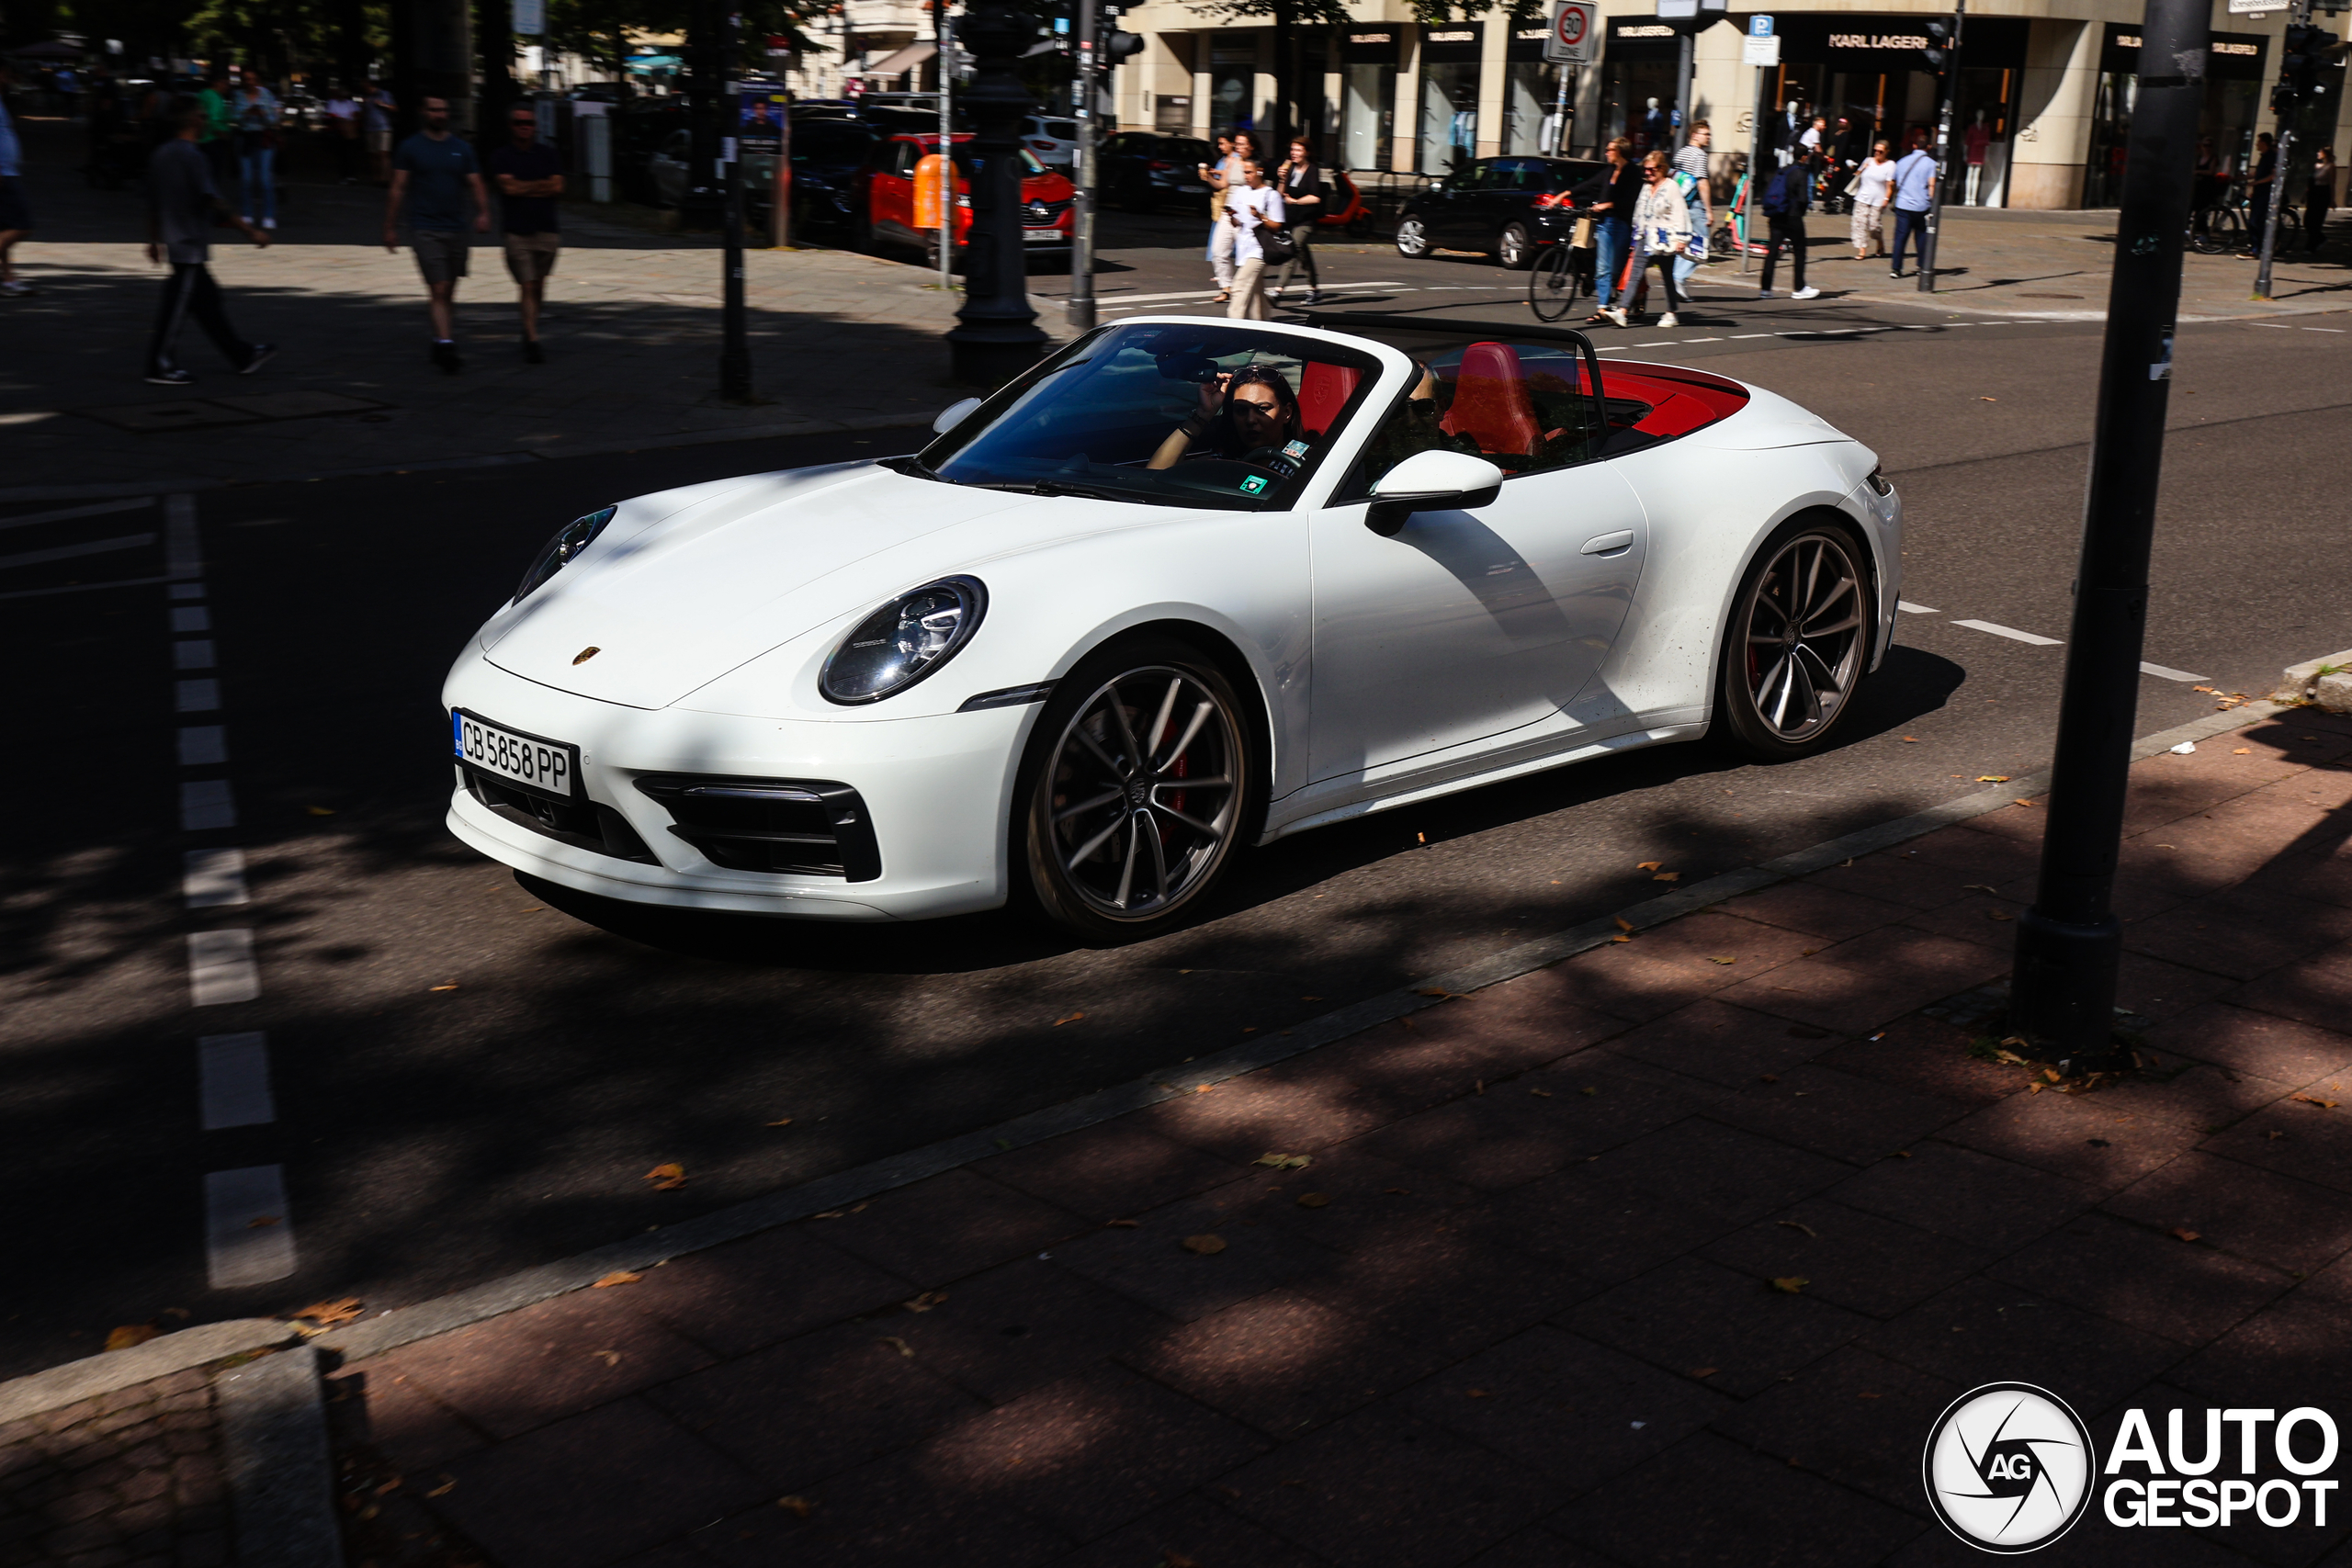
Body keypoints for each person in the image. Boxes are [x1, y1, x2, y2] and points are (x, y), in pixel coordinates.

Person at [144, 95, 275, 384]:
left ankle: (242, 355)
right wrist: (249, 230)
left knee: (208, 301)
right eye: (203, 116)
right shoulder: (193, 156)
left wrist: (153, 241)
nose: (205, 120)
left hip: (175, 240)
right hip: (188, 245)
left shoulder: (160, 154)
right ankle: (160, 364)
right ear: (192, 120)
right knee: (176, 307)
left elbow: (152, 203)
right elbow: (214, 200)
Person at [386, 96, 489, 373]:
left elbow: (475, 182)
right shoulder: (410, 147)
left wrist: (483, 212)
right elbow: (398, 187)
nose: (439, 114)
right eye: (434, 109)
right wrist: (390, 227)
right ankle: (446, 344)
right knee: (439, 287)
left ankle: (439, 337)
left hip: (457, 227)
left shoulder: (462, 149)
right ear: (423, 112)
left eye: (443, 109)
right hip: (425, 228)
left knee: (449, 290)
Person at [489, 103, 563, 362]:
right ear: (512, 126)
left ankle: (528, 326)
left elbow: (557, 187)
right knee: (528, 284)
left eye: (529, 123)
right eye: (519, 122)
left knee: (539, 285)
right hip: (516, 231)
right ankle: (532, 339)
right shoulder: (502, 156)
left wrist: (524, 187)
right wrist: (539, 186)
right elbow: (508, 189)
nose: (524, 127)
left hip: (547, 230)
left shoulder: (548, 154)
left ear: (535, 126)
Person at [1148, 365, 1304, 469]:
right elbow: (1154, 475)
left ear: (1287, 413)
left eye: (1262, 409)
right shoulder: (1225, 462)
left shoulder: (1306, 466)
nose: (1250, 420)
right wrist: (1203, 413)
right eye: (1241, 410)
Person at [1613, 150, 1691, 328]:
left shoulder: (1671, 187)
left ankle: (1672, 312)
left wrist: (1681, 239)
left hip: (1665, 239)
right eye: (1645, 169)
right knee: (1635, 274)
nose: (1647, 172)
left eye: (1651, 169)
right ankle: (1622, 311)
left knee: (1666, 276)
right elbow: (1639, 211)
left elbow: (1680, 213)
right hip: (1646, 236)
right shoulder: (1646, 187)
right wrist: (1636, 235)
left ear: (1662, 168)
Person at [1583, 136, 1638, 326]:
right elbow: (1588, 185)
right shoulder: (1608, 170)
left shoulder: (1632, 172)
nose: (1606, 153)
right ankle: (1602, 308)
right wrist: (1563, 195)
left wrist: (1605, 205)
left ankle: (1636, 298)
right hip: (1605, 223)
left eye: (1610, 150)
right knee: (1603, 268)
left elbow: (1628, 201)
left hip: (1622, 224)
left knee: (1618, 268)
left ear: (1620, 152)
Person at [1223, 159, 1284, 321]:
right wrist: (1232, 216)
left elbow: (1277, 225)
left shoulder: (1271, 195)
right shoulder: (1241, 192)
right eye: (1244, 172)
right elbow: (1237, 222)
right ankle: (1264, 326)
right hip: (1244, 247)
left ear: (1260, 172)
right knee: (1257, 294)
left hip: (1260, 249)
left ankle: (1233, 327)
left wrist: (1260, 217)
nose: (1246, 176)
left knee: (1239, 287)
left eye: (1249, 172)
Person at [1756, 149, 1819, 301]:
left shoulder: (1782, 170)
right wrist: (1801, 212)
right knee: (1799, 250)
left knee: (1772, 251)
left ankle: (1765, 289)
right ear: (1804, 157)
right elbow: (1804, 199)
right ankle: (1799, 288)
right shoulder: (1801, 172)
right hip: (1792, 216)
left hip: (1776, 215)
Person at [1272, 138, 1325, 304]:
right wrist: (1281, 178)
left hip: (1306, 219)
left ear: (1307, 152)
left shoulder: (1312, 170)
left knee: (1292, 249)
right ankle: (1315, 290)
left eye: (1299, 150)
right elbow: (1280, 194)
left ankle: (1278, 291)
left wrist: (1295, 201)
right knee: (1303, 255)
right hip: (1291, 219)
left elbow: (1315, 198)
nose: (1294, 153)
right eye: (1293, 150)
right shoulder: (1290, 169)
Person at [232, 67, 280, 229]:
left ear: (257, 80)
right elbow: (235, 118)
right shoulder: (238, 95)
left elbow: (274, 119)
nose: (249, 82)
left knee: (265, 180)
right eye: (246, 79)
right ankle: (247, 214)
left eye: (252, 79)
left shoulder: (266, 95)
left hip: (264, 139)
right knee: (246, 179)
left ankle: (268, 215)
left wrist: (263, 115)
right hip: (246, 139)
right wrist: (246, 114)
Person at [0, 63, 31, 298]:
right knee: (22, 225)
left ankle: (8, 280)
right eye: (6, 73)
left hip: (7, 171)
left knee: (4, 227)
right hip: (3, 174)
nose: (9, 77)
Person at [1198, 131, 1239, 299]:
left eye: (1223, 143)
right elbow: (1222, 184)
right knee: (1218, 251)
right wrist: (1208, 176)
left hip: (1243, 213)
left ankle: (1243, 289)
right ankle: (1226, 288)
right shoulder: (1228, 161)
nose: (1221, 147)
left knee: (1247, 254)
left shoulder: (1244, 162)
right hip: (1226, 210)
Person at [1890, 137, 1937, 278]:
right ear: (1928, 147)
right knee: (1922, 236)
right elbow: (1932, 185)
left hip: (1903, 205)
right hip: (1921, 205)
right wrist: (1931, 200)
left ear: (1914, 145)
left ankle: (1896, 269)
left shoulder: (1902, 161)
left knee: (1900, 238)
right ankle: (1921, 266)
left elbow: (1893, 181)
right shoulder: (1931, 164)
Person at [1850, 141, 1894, 261]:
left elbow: (1890, 185)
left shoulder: (1890, 165)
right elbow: (1856, 175)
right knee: (1860, 224)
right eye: (1876, 150)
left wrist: (1886, 198)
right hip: (1862, 197)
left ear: (1886, 152)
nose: (1877, 153)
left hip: (1878, 200)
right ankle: (1862, 249)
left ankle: (1879, 241)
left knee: (1874, 226)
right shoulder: (1868, 161)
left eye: (1881, 151)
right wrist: (1862, 169)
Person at [197, 68, 238, 191]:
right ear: (217, 82)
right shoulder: (215, 97)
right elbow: (213, 119)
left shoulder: (204, 94)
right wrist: (223, 135)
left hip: (202, 139)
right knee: (213, 175)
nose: (228, 87)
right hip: (213, 141)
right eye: (226, 83)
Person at [2241, 132, 2277, 256]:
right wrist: (2240, 178)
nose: (2256, 144)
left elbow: (2273, 176)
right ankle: (2255, 247)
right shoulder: (2263, 156)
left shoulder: (2272, 156)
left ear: (2264, 143)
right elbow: (2257, 173)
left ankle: (2259, 248)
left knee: (2256, 221)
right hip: (2258, 193)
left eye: (2258, 142)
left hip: (2266, 193)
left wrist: (2256, 183)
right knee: (2252, 221)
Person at [324, 88, 361, 183]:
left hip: (350, 130)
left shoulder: (351, 103)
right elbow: (329, 115)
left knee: (351, 154)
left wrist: (352, 119)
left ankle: (351, 175)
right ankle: (343, 176)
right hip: (338, 131)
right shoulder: (333, 103)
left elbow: (357, 114)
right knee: (342, 155)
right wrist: (340, 120)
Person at [363, 81, 396, 185]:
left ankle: (386, 178)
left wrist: (382, 104)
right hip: (370, 128)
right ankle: (376, 178)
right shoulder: (367, 97)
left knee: (384, 154)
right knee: (373, 155)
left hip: (383, 127)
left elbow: (394, 108)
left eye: (365, 86)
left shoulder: (384, 94)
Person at [2307, 147, 2335, 253]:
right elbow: (2311, 181)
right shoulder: (2316, 166)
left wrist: (2332, 199)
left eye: (2320, 152)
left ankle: (2311, 246)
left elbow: (2332, 184)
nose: (2318, 153)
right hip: (2313, 193)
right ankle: (2320, 238)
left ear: (2325, 154)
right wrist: (2305, 194)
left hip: (2323, 194)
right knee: (2308, 220)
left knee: (2316, 221)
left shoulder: (2331, 167)